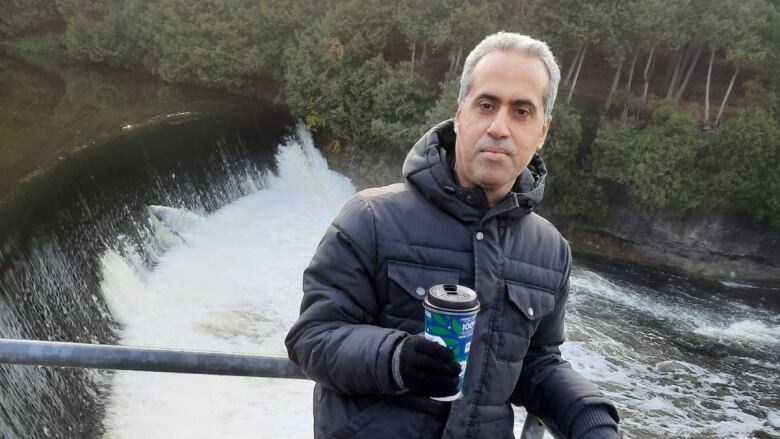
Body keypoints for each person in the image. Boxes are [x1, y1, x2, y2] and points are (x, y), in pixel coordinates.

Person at [286, 32, 619, 438]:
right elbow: (313, 338)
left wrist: (589, 416)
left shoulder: (550, 251)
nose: (499, 127)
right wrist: (397, 358)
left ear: (542, 131)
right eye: (486, 105)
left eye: (521, 111)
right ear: (461, 115)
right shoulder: (370, 218)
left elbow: (536, 362)